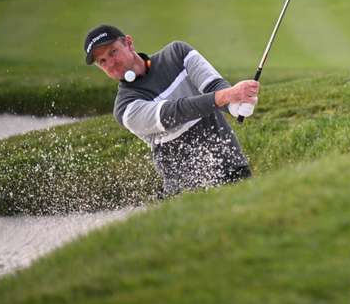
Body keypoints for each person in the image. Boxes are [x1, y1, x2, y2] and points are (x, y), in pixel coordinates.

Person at [83, 24, 260, 198]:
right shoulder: (125, 109)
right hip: (185, 192)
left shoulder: (177, 54)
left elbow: (213, 86)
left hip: (232, 166)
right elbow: (173, 113)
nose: (111, 64)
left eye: (113, 52)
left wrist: (235, 105)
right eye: (102, 61)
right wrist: (227, 96)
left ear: (129, 43)